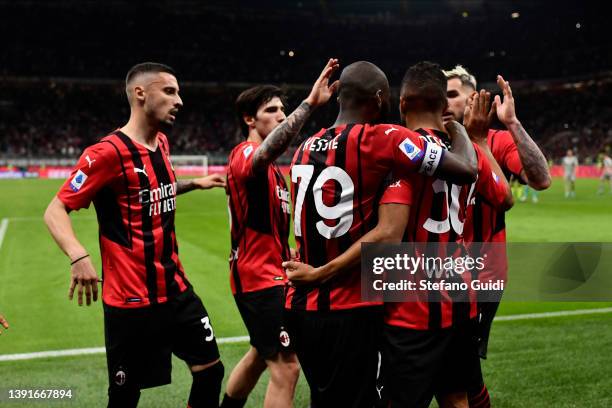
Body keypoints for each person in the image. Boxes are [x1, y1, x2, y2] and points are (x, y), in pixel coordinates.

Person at [282, 60, 477, 407]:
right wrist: (461, 130)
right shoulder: (387, 141)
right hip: (360, 302)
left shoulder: (304, 147)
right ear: (380, 98)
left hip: (301, 303)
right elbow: (470, 174)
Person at [44, 62, 226, 408]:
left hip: (176, 290)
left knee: (210, 372)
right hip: (130, 301)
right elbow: (55, 210)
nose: (180, 100)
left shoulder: (163, 144)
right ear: (140, 94)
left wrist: (194, 184)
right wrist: (79, 257)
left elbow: (154, 190)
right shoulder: (106, 153)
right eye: (170, 91)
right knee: (126, 395)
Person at [221, 59, 340, 408]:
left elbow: (269, 227)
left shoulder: (276, 174)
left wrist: (288, 252)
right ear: (249, 119)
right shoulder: (245, 154)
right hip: (257, 279)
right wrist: (309, 104)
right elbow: (260, 156)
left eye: (282, 110)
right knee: (287, 368)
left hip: (274, 274)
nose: (280, 115)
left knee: (262, 354)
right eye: (271, 110)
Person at [443, 65, 551, 407]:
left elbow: (540, 179)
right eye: (440, 94)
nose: (444, 102)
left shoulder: (497, 141)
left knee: (462, 373)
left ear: (474, 99)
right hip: (434, 273)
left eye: (453, 94)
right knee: (448, 372)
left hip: (481, 276)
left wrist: (512, 123)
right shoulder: (428, 143)